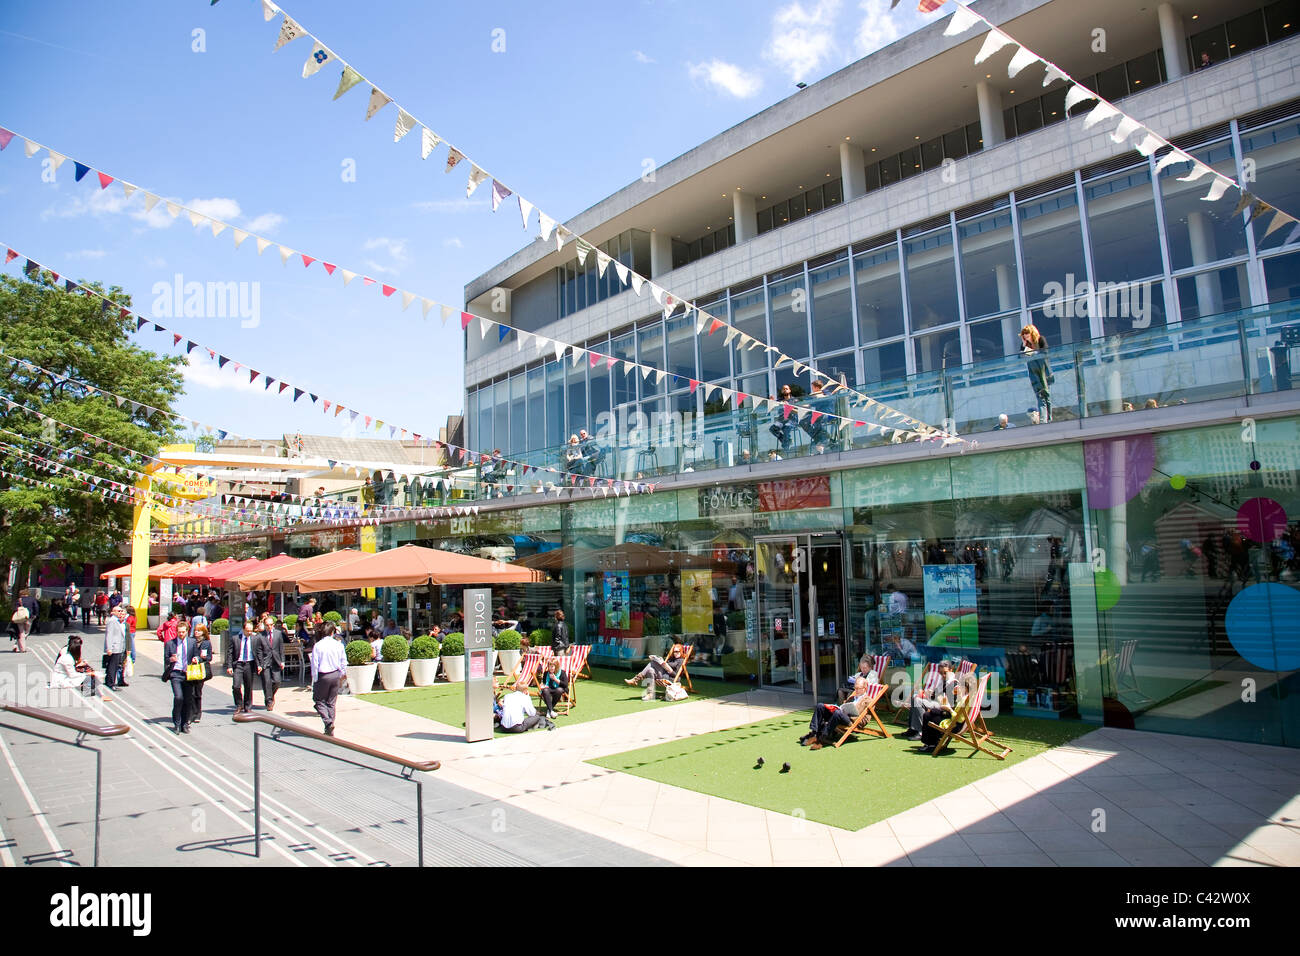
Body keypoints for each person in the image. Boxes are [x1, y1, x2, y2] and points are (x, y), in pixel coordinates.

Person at [800, 676, 874, 749]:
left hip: (851, 721)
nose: (856, 690)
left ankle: (823, 737)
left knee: (838, 713)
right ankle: (814, 733)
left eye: (858, 688)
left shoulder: (868, 701)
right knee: (820, 706)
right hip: (841, 716)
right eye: (855, 688)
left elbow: (864, 721)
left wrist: (851, 715)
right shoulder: (852, 697)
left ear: (865, 689)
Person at [898, 658, 957, 742]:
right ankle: (913, 728)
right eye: (941, 673)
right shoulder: (944, 680)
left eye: (945, 673)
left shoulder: (954, 683)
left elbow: (950, 703)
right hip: (938, 703)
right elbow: (937, 694)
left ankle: (921, 731)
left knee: (918, 701)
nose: (943, 675)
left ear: (951, 670)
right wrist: (930, 693)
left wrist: (933, 696)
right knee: (914, 697)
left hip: (945, 708)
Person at [918, 672, 979, 753]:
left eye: (960, 685)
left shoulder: (965, 700)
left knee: (927, 715)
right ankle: (932, 742)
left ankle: (931, 744)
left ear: (966, 687)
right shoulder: (971, 697)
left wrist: (949, 709)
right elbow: (960, 713)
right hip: (959, 723)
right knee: (933, 711)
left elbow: (959, 719)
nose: (959, 687)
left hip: (955, 725)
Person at [310, 623, 347, 736]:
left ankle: (328, 722)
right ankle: (330, 726)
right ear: (332, 632)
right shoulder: (338, 645)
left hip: (323, 675)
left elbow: (315, 664)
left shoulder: (318, 646)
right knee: (331, 702)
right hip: (335, 674)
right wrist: (342, 674)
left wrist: (314, 678)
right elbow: (343, 661)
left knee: (319, 700)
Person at [161, 619, 196, 735]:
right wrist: (171, 659)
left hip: (188, 674)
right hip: (175, 673)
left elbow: (196, 655)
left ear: (187, 631)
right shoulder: (170, 644)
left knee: (188, 700)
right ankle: (176, 723)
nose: (181, 634)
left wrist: (197, 659)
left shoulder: (192, 642)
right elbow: (166, 659)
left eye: (183, 632)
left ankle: (185, 724)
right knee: (178, 697)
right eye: (179, 632)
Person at [50, 635, 104, 699]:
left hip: (67, 673)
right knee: (89, 675)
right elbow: (72, 674)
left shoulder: (69, 655)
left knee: (89, 672)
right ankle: (90, 692)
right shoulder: (66, 656)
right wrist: (87, 673)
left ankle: (93, 692)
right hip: (62, 679)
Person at [1020, 324, 1052, 424]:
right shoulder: (1025, 344)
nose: (1025, 336)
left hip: (1042, 371)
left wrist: (1033, 353)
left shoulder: (1040, 340)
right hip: (1033, 373)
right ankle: (1044, 420)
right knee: (1040, 396)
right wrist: (1024, 345)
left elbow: (1045, 352)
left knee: (1046, 396)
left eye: (1027, 334)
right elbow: (1021, 357)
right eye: (1024, 335)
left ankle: (1048, 419)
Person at [226, 621, 258, 716]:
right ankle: (239, 704)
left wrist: (259, 665)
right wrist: (229, 666)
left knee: (248, 686)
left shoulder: (254, 639)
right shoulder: (235, 639)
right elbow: (230, 653)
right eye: (247, 631)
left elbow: (258, 652)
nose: (249, 633)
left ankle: (248, 706)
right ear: (243, 630)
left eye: (251, 631)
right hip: (238, 664)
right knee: (236, 686)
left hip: (249, 663)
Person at [255, 616, 285, 711]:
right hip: (265, 662)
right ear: (264, 625)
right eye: (267, 625)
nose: (269, 627)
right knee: (267, 682)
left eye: (271, 625)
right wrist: (259, 664)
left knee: (277, 681)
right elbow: (258, 651)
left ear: (273, 625)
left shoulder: (278, 634)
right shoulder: (260, 636)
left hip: (276, 661)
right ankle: (269, 702)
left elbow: (281, 648)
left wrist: (282, 661)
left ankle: (270, 695)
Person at [191, 622, 213, 723]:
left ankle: (197, 714)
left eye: (199, 631)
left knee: (197, 692)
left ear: (203, 632)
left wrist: (201, 658)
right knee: (191, 692)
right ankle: (191, 713)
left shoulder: (206, 643)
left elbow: (209, 657)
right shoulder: (191, 641)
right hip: (191, 669)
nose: (196, 632)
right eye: (195, 630)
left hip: (201, 670)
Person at [104, 605, 128, 689]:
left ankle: (109, 681)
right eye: (118, 611)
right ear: (113, 612)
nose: (120, 613)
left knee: (114, 665)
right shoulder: (112, 621)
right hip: (114, 647)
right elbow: (109, 635)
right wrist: (109, 648)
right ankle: (110, 683)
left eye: (121, 611)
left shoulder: (118, 621)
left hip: (119, 647)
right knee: (112, 666)